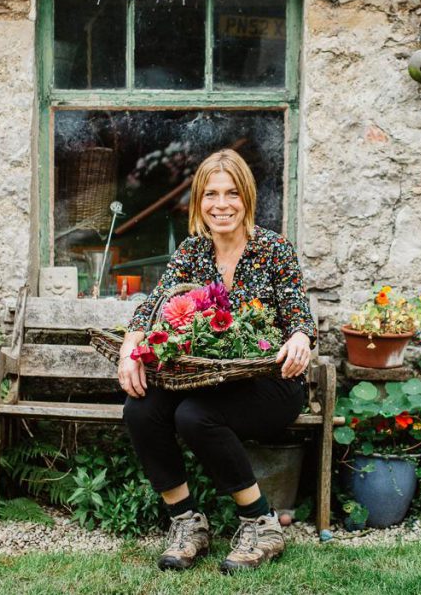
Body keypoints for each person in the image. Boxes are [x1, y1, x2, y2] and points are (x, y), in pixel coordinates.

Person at [118, 149, 316, 574]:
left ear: (247, 198)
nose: (221, 204)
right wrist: (129, 348)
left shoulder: (273, 249)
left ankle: (261, 524)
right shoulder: (192, 251)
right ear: (198, 201)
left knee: (195, 416)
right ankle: (187, 522)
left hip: (271, 381)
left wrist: (300, 338)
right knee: (141, 409)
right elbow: (153, 305)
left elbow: (299, 316)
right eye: (211, 194)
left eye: (231, 193)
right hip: (209, 380)